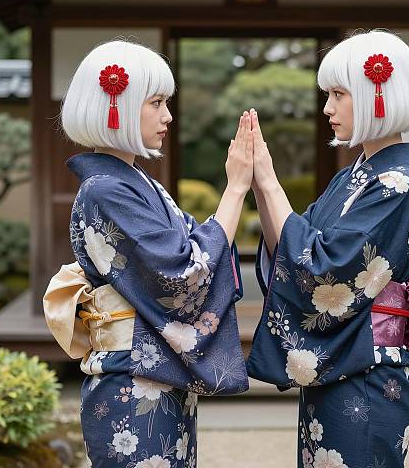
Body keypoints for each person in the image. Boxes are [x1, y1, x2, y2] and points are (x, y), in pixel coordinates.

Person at [43, 40, 252, 467]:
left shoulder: (134, 184)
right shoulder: (106, 190)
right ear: (114, 107)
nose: (168, 116)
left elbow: (195, 248)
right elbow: (183, 274)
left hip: (154, 372)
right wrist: (235, 189)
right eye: (156, 102)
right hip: (132, 377)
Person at [246, 30, 409, 468]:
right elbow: (293, 248)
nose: (327, 108)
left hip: (368, 369)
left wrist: (268, 180)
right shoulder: (352, 178)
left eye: (339, 94)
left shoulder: (398, 184)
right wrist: (257, 183)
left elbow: (324, 269)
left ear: (379, 96)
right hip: (342, 363)